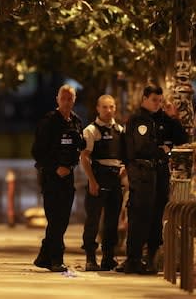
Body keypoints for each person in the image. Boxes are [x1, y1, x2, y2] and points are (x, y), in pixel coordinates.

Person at [118, 84, 188, 274]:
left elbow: (182, 138)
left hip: (159, 175)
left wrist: (174, 117)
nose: (157, 104)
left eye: (159, 100)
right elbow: (140, 148)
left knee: (157, 216)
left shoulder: (163, 120)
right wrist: (161, 150)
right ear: (145, 99)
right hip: (142, 175)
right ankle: (134, 259)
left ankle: (150, 259)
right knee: (140, 215)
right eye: (154, 100)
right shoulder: (138, 120)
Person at [31, 84, 85, 272]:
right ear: (57, 99)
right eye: (64, 98)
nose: (67, 102)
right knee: (55, 219)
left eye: (70, 98)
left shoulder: (76, 122)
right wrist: (55, 168)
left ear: (74, 99)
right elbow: (37, 152)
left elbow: (80, 146)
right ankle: (56, 259)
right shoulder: (48, 122)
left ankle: (43, 257)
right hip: (51, 177)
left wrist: (70, 164)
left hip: (68, 177)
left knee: (62, 219)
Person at [80, 94, 125, 271]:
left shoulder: (120, 130)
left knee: (112, 220)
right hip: (98, 177)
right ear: (98, 108)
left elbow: (125, 155)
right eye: (104, 107)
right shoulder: (91, 130)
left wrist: (124, 168)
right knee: (93, 219)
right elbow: (84, 157)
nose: (108, 110)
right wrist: (92, 181)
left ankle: (108, 257)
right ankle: (90, 258)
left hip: (115, 179)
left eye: (111, 107)